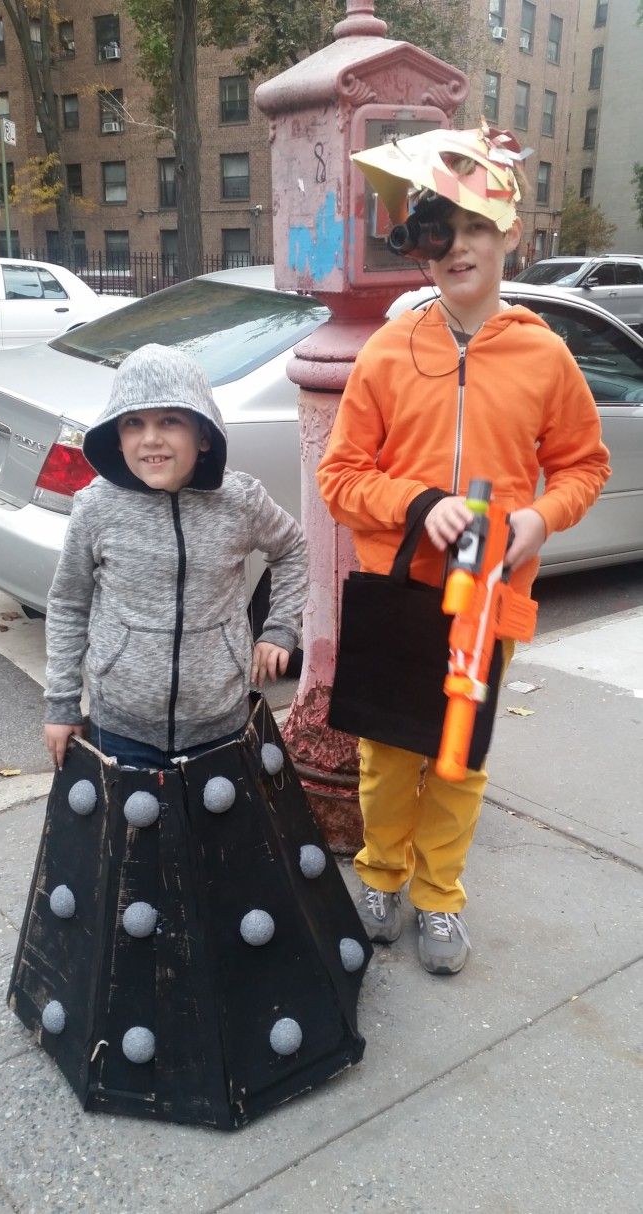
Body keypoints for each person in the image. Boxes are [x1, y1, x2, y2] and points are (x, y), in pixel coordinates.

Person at [316, 124, 611, 975]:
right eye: (442, 231)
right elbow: (341, 476)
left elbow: (582, 465)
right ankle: (380, 875)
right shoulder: (387, 351)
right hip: (394, 592)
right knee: (385, 755)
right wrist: (419, 503)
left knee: (456, 760)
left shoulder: (545, 355)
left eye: (478, 227)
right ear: (425, 248)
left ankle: (440, 897)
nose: (460, 249)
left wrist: (539, 519)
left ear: (510, 233)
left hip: (488, 602)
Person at [44, 343, 308, 771]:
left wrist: (278, 631)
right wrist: (61, 705)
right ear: (118, 436)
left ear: (203, 434)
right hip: (122, 729)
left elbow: (292, 548)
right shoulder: (97, 507)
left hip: (221, 725)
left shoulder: (239, 501)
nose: (151, 438)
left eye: (169, 420)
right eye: (134, 423)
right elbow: (69, 604)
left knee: (219, 835)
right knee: (134, 835)